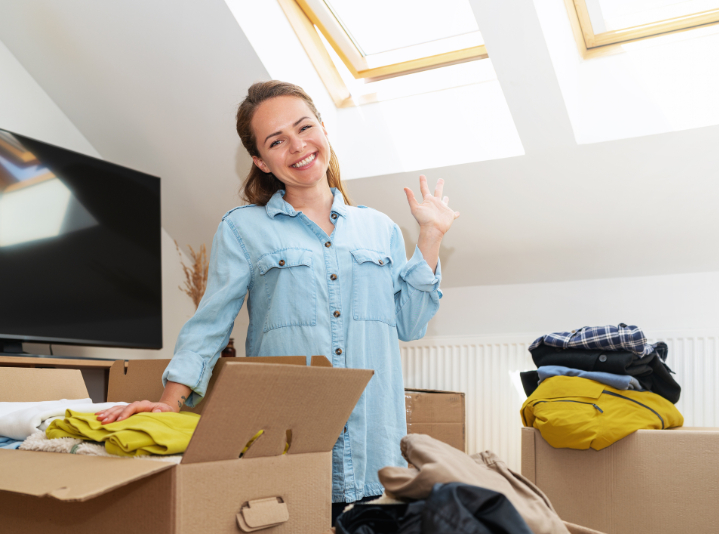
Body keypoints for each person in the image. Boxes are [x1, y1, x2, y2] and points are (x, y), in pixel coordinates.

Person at [96, 81, 459, 522]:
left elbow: (410, 324)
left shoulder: (379, 228)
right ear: (260, 160)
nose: (297, 146)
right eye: (276, 141)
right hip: (289, 446)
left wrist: (430, 239)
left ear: (324, 129)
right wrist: (170, 401)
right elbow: (211, 323)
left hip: (375, 452)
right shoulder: (243, 229)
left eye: (304, 128)